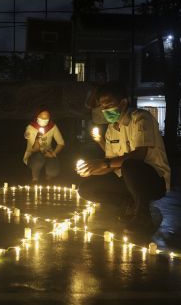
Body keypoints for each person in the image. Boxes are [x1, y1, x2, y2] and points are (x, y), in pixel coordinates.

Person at [77, 81, 171, 231]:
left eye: (108, 105)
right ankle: (128, 203)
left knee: (130, 164)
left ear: (122, 103)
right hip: (126, 179)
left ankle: (142, 215)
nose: (104, 110)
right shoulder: (110, 130)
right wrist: (91, 169)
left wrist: (103, 163)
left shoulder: (141, 118)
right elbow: (111, 163)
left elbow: (139, 155)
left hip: (153, 181)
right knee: (86, 188)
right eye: (102, 106)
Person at [23, 109, 65, 183]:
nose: (44, 120)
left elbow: (61, 143)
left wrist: (53, 154)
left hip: (48, 154)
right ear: (37, 117)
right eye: (42, 118)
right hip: (33, 155)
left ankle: (49, 178)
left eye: (46, 118)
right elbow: (35, 150)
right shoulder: (31, 128)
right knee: (39, 158)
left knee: (53, 171)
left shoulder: (53, 127)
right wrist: (37, 138)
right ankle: (35, 179)